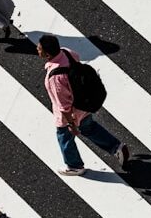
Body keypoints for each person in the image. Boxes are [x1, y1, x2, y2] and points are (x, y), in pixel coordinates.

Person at [38, 34, 129, 176]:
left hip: (71, 112)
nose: (38, 50)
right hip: (83, 103)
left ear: (47, 54)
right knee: (89, 127)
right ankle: (116, 147)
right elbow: (77, 58)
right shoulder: (66, 52)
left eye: (39, 48)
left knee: (64, 136)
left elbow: (64, 105)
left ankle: (74, 165)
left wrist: (71, 124)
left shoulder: (56, 78)